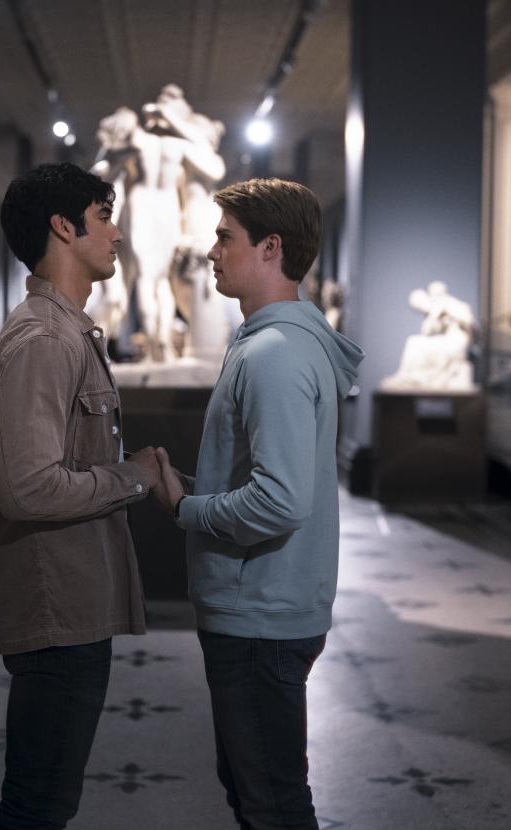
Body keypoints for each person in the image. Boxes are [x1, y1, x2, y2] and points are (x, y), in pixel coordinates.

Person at [152, 178, 364, 829]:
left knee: (271, 802)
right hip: (266, 608)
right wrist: (196, 483)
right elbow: (266, 474)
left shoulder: (273, 352)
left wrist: (184, 509)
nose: (211, 251)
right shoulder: (272, 342)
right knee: (255, 793)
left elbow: (278, 499)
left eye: (224, 237)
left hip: (260, 615)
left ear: (270, 248)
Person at [0, 162, 161, 829]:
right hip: (55, 609)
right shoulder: (45, 340)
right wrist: (132, 477)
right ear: (64, 226)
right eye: (104, 214)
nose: (116, 232)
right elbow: (27, 488)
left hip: (72, 600)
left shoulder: (66, 331)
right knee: (38, 805)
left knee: (46, 799)